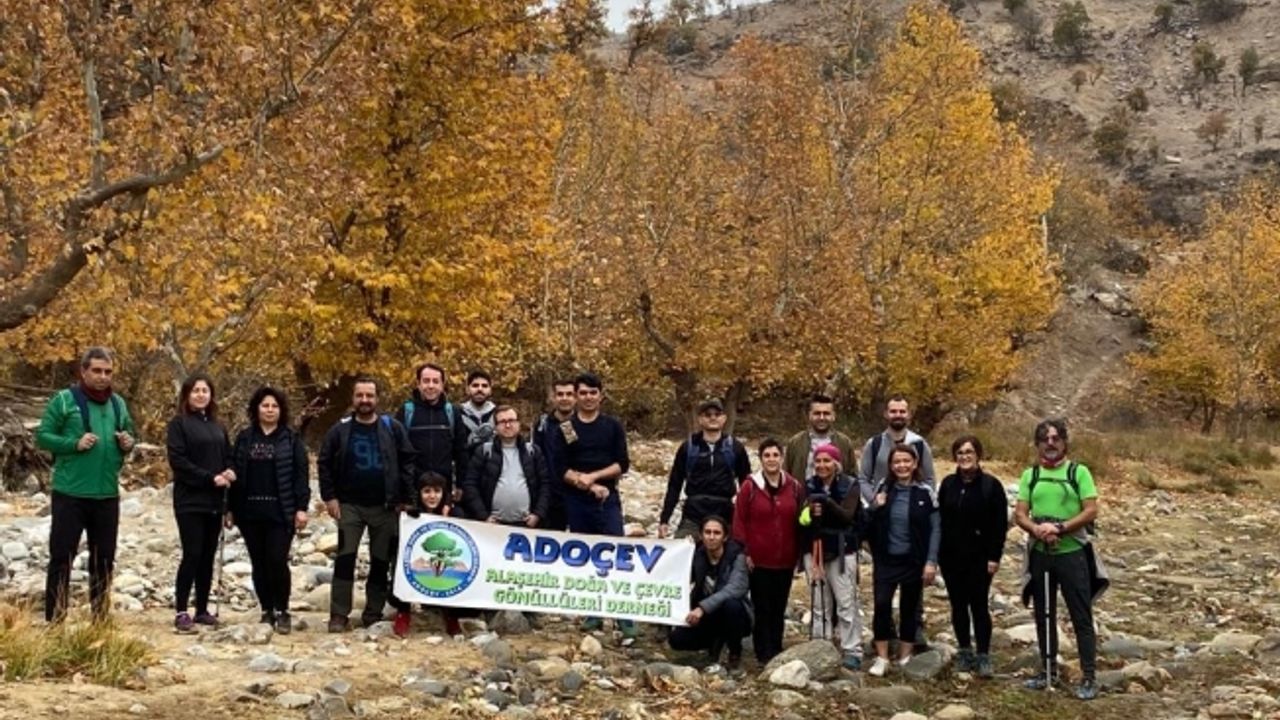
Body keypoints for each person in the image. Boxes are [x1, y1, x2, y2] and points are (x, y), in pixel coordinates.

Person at [37, 347, 137, 623]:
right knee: (61, 558)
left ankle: (100, 621)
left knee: (104, 560)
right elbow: (43, 436)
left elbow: (129, 434)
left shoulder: (118, 404)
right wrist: (72, 444)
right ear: (83, 371)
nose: (103, 377)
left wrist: (128, 442)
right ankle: (55, 621)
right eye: (97, 371)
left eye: (108, 372)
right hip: (70, 494)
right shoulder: (64, 401)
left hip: (106, 494)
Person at [1014, 419, 1105, 701]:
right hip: (1041, 554)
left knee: (1081, 615)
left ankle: (1089, 676)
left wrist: (1060, 528)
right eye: (1044, 439)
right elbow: (1020, 514)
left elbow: (1091, 511)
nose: (1050, 443)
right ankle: (1047, 669)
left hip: (1072, 553)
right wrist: (1037, 530)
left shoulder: (1079, 472)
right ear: (1037, 444)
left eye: (1055, 438)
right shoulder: (1031, 475)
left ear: (1064, 442)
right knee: (1044, 614)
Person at [318, 377, 416, 635]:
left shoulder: (392, 427)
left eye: (369, 396)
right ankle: (339, 614)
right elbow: (324, 462)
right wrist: (329, 497)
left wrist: (407, 498)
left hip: (385, 506)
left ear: (377, 399)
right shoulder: (340, 429)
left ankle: (373, 612)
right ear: (353, 398)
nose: (364, 401)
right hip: (349, 505)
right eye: (360, 396)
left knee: (381, 560)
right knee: (345, 558)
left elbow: (407, 462)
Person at [553, 372, 634, 638]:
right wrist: (584, 483)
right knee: (586, 557)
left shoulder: (612, 427)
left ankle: (623, 614)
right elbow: (560, 468)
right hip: (577, 501)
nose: (588, 398)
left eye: (593, 393)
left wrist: (595, 478)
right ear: (576, 396)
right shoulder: (566, 429)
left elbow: (622, 463)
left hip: (608, 499)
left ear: (601, 395)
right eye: (583, 393)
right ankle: (593, 612)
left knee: (616, 554)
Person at [855, 394, 938, 651]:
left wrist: (921, 507)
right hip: (882, 520)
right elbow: (863, 477)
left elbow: (930, 481)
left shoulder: (920, 444)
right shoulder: (875, 443)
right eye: (893, 411)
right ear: (886, 414)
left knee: (913, 588)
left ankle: (914, 632)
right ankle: (885, 632)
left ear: (908, 414)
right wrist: (876, 502)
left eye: (902, 411)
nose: (898, 415)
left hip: (911, 517)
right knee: (883, 586)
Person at [227, 386, 310, 634]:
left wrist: (301, 508)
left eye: (274, 406)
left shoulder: (291, 439)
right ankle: (266, 610)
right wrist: (229, 508)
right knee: (258, 563)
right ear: (256, 409)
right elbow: (234, 472)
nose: (270, 410)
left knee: (277, 560)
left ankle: (283, 610)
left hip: (281, 511)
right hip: (249, 511)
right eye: (265, 406)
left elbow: (300, 475)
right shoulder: (244, 438)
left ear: (281, 410)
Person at [165, 373, 234, 632]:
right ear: (187, 394)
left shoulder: (218, 426)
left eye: (205, 390)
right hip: (190, 500)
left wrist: (229, 471)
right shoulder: (179, 424)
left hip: (215, 501)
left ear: (211, 395)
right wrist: (209, 478)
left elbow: (228, 455)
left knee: (207, 556)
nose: (201, 395)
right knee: (192, 553)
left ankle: (202, 609)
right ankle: (182, 610)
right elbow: (179, 462)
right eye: (196, 391)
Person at [866, 444, 940, 677]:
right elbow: (868, 519)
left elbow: (936, 528)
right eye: (897, 462)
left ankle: (906, 655)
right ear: (890, 465)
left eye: (906, 461)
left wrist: (931, 561)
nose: (902, 466)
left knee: (910, 607)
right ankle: (882, 657)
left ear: (915, 463)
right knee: (881, 605)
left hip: (914, 560)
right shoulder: (883, 488)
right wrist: (876, 505)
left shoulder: (925, 492)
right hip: (886, 559)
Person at [937, 435, 1008, 678]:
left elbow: (999, 525)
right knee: (958, 605)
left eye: (969, 452)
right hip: (951, 557)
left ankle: (984, 655)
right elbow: (940, 520)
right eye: (960, 453)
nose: (964, 457)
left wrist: (994, 557)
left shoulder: (991, 486)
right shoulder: (947, 484)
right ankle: (965, 651)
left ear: (978, 455)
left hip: (980, 557)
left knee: (979, 605)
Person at [732, 438, 805, 665]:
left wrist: (801, 554)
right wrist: (745, 551)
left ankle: (776, 647)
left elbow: (801, 520)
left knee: (779, 606)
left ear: (782, 458)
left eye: (775, 455)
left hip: (785, 558)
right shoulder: (749, 487)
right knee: (762, 606)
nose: (771, 460)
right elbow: (739, 520)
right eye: (767, 456)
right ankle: (762, 652)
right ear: (760, 459)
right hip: (758, 559)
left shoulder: (794, 487)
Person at [798, 444, 866, 670]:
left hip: (841, 549)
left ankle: (852, 648)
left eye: (827, 461)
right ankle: (821, 644)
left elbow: (847, 516)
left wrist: (826, 502)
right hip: (814, 548)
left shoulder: (850, 486)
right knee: (819, 601)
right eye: (818, 461)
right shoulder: (808, 486)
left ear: (836, 464)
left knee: (846, 601)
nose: (822, 465)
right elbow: (802, 516)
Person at [668, 516, 751, 670]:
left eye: (717, 533)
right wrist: (683, 551)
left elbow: (736, 588)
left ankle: (734, 651)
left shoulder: (737, 557)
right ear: (701, 535)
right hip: (706, 618)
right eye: (707, 532)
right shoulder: (697, 555)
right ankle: (714, 644)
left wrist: (702, 608)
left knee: (731, 605)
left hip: (732, 615)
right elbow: (679, 577)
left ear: (725, 537)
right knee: (676, 639)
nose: (711, 537)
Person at [660, 398, 750, 539]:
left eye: (717, 414)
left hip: (725, 513)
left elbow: (746, 486)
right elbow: (674, 485)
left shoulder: (735, 448)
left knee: (731, 555)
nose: (712, 418)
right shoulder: (688, 448)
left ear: (724, 418)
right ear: (700, 419)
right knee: (682, 551)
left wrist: (747, 520)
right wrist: (664, 519)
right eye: (707, 414)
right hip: (693, 514)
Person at [460, 405, 551, 527]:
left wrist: (538, 514)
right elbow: (470, 485)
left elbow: (545, 484)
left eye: (511, 421)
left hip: (526, 524)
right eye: (502, 422)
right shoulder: (484, 452)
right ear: (495, 427)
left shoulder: (533, 452)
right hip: (493, 525)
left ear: (519, 423)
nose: (508, 425)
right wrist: (483, 515)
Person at [396, 363, 468, 506]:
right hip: (412, 490)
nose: (431, 386)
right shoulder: (406, 411)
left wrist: (460, 484)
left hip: (443, 490)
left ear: (442, 385)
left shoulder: (452, 412)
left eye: (436, 381)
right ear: (418, 384)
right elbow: (397, 452)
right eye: (426, 381)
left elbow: (461, 452)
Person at [406, 471, 462, 636]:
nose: (432, 496)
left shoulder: (455, 514)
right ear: (419, 493)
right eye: (427, 491)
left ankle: (451, 616)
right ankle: (403, 612)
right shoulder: (410, 517)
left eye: (437, 491)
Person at [532, 378, 577, 530]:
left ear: (575, 397)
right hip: (549, 494)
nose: (564, 398)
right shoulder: (543, 424)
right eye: (560, 394)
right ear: (553, 397)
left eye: (569, 394)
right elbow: (536, 457)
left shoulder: (580, 423)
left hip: (577, 492)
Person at [784, 394, 856, 485]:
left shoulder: (844, 443)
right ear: (810, 415)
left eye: (826, 414)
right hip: (802, 498)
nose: (821, 418)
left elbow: (854, 478)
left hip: (836, 498)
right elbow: (785, 476)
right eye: (817, 413)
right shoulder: (795, 443)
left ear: (833, 416)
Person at [460, 369, 496, 451]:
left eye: (484, 386)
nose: (480, 389)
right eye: (475, 385)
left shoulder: (499, 415)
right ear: (467, 389)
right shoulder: (457, 414)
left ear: (490, 390)